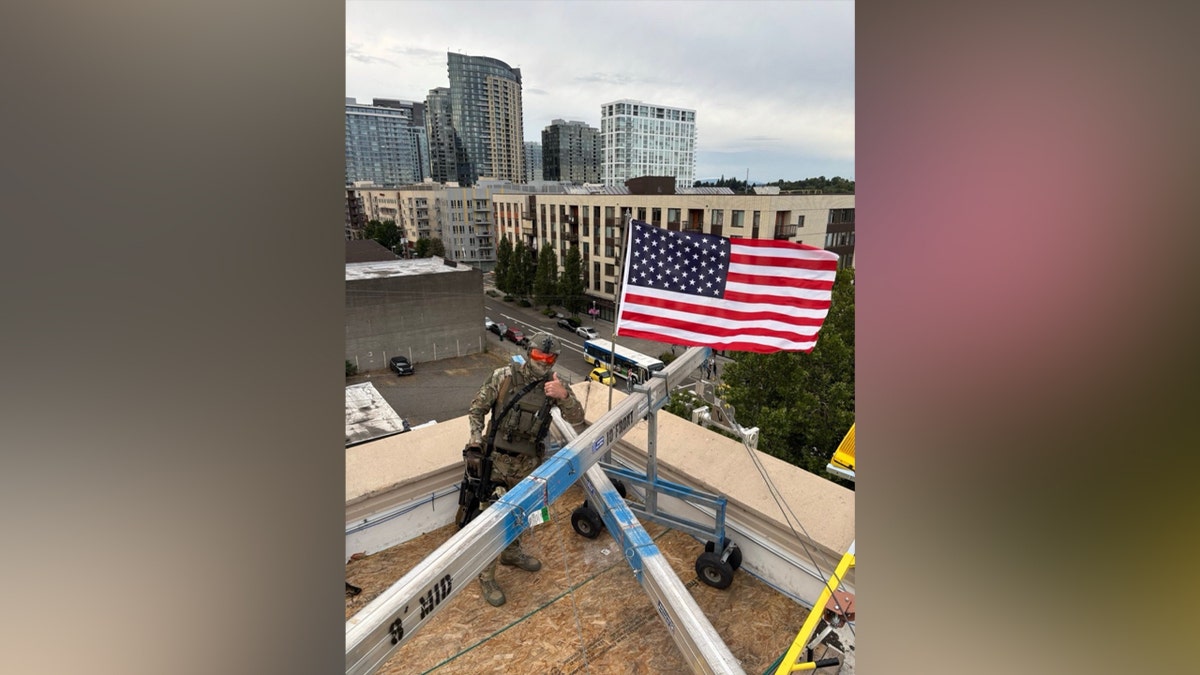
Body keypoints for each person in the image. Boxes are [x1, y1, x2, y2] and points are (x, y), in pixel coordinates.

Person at [464, 331, 585, 607]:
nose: (544, 362)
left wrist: (563, 395)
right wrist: (474, 440)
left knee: (524, 514)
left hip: (529, 464)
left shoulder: (554, 385)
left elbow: (577, 417)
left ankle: (512, 552)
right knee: (492, 523)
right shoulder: (503, 377)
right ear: (529, 353)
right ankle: (486, 576)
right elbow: (477, 409)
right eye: (539, 356)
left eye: (550, 358)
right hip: (496, 463)